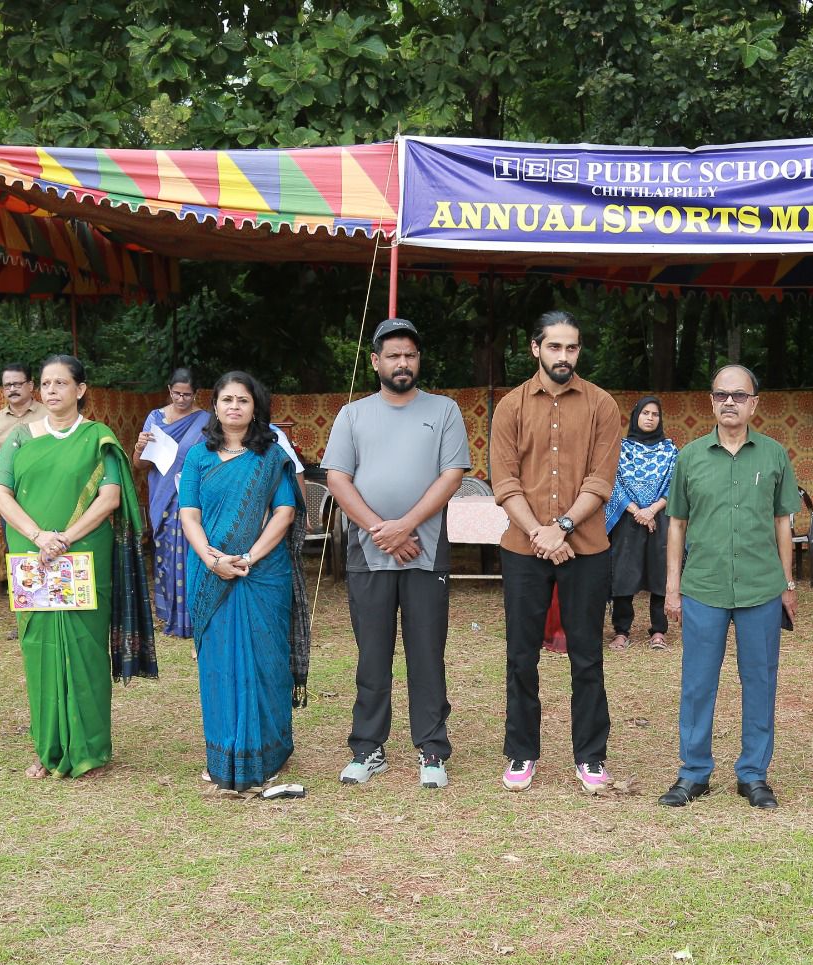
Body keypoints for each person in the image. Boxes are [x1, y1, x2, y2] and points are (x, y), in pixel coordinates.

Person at [0, 354, 157, 779]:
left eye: (61, 383)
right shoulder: (19, 438)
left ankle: (90, 750)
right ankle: (48, 749)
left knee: (86, 651)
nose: (51, 390)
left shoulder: (98, 438)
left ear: (80, 390)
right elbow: (0, 494)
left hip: (83, 556)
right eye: (46, 384)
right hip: (33, 558)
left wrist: (65, 537)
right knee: (39, 651)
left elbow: (110, 498)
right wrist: (39, 536)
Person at [324, 318, 470, 789]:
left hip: (425, 550)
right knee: (372, 654)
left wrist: (406, 526)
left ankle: (432, 747)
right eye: (393, 355)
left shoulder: (444, 410)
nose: (402, 362)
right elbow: (337, 479)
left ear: (418, 360)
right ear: (375, 362)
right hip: (368, 552)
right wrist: (380, 530)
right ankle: (368, 747)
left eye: (409, 354)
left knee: (427, 653)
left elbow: (452, 475)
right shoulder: (352, 415)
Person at [490, 310, 623, 793]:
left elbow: (601, 480)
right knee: (521, 656)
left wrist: (562, 527)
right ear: (535, 348)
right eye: (554, 347)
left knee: (587, 656)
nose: (563, 356)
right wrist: (539, 533)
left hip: (585, 549)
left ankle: (590, 756)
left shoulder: (602, 405)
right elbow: (504, 481)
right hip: (523, 549)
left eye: (571, 347)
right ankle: (522, 752)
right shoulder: (510, 406)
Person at [658, 366, 798, 810]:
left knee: (760, 680)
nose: (730, 402)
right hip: (704, 585)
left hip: (761, 586)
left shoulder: (773, 454)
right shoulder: (690, 457)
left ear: (755, 403)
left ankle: (754, 774)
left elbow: (783, 522)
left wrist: (788, 583)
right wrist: (672, 587)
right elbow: (677, 524)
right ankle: (693, 771)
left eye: (739, 395)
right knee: (698, 682)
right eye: (721, 395)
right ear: (711, 401)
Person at [180, 372, 310, 793]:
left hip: (262, 573)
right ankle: (223, 755)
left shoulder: (272, 457)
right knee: (218, 666)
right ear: (215, 407)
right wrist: (212, 559)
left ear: (256, 408)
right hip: (210, 573)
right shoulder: (198, 457)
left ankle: (269, 754)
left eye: (243, 400)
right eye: (227, 399)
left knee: (266, 661)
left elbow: (285, 512)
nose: (234, 406)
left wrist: (248, 557)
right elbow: (189, 515)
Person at [133, 368, 209, 639]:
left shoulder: (205, 421)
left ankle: (192, 615)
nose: (181, 399)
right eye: (177, 393)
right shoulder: (155, 418)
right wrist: (140, 446)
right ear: (169, 390)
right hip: (161, 495)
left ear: (196, 393)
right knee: (165, 551)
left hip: (190, 497)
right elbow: (139, 465)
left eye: (187, 395)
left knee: (190, 553)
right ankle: (169, 613)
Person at [605, 396, 677, 652]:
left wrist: (652, 510)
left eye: (655, 414)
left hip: (660, 519)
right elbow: (613, 482)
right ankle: (621, 631)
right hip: (628, 519)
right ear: (636, 416)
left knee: (660, 573)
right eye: (645, 413)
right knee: (623, 574)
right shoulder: (621, 449)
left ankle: (658, 631)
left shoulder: (670, 450)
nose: (650, 418)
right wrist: (637, 511)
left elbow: (675, 483)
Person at [0, 363, 47, 540]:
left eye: (17, 384)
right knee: (16, 550)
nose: (12, 389)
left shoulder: (49, 415)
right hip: (8, 500)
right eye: (7, 385)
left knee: (49, 546)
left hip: (45, 496)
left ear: (30, 386)